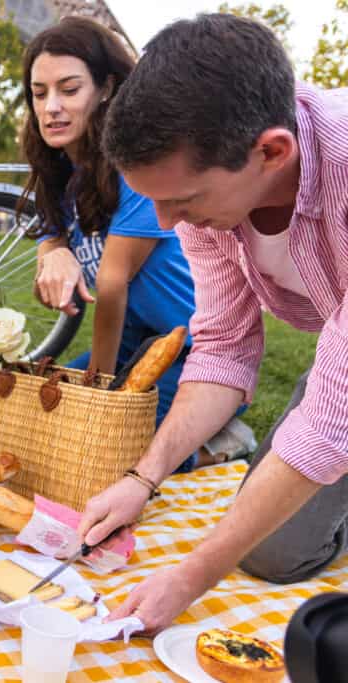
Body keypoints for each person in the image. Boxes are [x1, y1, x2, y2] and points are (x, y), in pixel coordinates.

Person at [78, 13, 348, 633]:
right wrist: (142, 479)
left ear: (272, 152)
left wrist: (194, 574)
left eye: (184, 200)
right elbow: (223, 350)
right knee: (272, 551)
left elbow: (329, 421)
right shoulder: (208, 202)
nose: (168, 225)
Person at [20, 16, 253, 471]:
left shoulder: (136, 165)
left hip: (192, 346)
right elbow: (49, 236)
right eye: (39, 92)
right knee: (39, 418)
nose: (51, 107)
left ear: (106, 88)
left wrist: (100, 390)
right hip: (133, 338)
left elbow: (111, 284)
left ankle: (221, 442)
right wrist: (57, 253)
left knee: (109, 453)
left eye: (69, 90)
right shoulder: (60, 171)